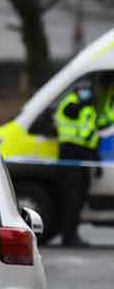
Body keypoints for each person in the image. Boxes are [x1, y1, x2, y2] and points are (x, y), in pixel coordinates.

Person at [54, 83, 99, 247]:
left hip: (83, 155)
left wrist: (95, 159)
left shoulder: (89, 107)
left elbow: (90, 133)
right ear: (77, 91)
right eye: (83, 90)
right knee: (71, 198)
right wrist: (83, 103)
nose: (86, 92)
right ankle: (69, 236)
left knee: (79, 198)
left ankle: (73, 234)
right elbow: (70, 113)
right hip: (70, 154)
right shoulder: (70, 102)